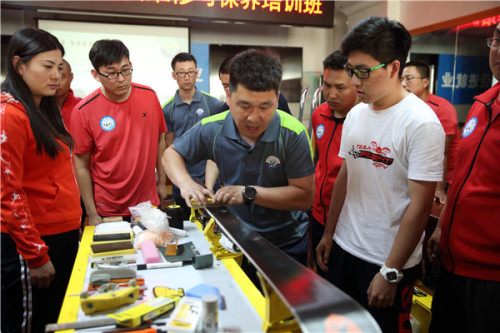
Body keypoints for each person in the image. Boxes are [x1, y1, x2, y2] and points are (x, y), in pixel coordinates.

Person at [315, 16, 444, 333]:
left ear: (394, 68)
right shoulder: (357, 113)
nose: (355, 81)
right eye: (350, 69)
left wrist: (391, 271)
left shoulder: (421, 124)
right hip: (345, 246)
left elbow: (420, 205)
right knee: (337, 327)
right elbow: (346, 174)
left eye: (363, 71)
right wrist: (330, 233)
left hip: (385, 258)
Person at [162, 48, 314, 266]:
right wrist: (186, 183)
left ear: (277, 99)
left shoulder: (292, 133)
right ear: (229, 97)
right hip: (235, 238)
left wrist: (248, 193)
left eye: (265, 106)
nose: (254, 118)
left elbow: (304, 197)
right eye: (244, 106)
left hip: (285, 243)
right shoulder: (212, 128)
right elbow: (171, 154)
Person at [1, 27, 81, 333]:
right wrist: (35, 255)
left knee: (56, 320)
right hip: (33, 243)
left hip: (61, 234)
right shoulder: (10, 114)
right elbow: (9, 193)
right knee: (30, 324)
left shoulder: (44, 109)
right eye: (47, 67)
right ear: (20, 66)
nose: (56, 75)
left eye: (59, 67)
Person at [427, 23, 500, 333]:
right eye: (497, 40)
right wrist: (442, 226)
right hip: (454, 262)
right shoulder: (482, 104)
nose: (498, 50)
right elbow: (463, 176)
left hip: (492, 278)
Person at [70, 39, 167, 225]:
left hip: (147, 204)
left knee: (151, 252)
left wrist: (161, 183)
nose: (122, 78)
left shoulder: (149, 96)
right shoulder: (83, 111)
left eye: (125, 70)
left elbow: (159, 141)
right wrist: (91, 212)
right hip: (108, 208)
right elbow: (81, 165)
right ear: (95, 74)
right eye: (112, 74)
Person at [311, 50, 357, 277]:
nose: (331, 94)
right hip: (318, 215)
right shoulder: (319, 114)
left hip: (348, 224)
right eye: (327, 86)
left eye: (340, 88)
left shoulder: (363, 120)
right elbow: (317, 160)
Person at [162, 52, 224, 211]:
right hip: (182, 181)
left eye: (190, 72)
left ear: (197, 73)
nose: (186, 77)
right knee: (185, 226)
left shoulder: (213, 104)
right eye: (181, 73)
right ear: (174, 75)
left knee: (214, 225)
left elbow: (218, 143)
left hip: (210, 179)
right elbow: (170, 145)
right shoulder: (167, 109)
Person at [402, 60, 459, 204]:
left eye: (409, 79)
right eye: (401, 79)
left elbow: (442, 153)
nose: (403, 84)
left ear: (425, 81)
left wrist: (438, 189)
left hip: (442, 180)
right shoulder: (404, 106)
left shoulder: (442, 108)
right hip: (413, 173)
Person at [218, 53, 293, 115]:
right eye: (225, 86)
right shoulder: (223, 112)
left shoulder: (276, 98)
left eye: (263, 107)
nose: (230, 90)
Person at [56, 59, 82, 131]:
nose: (57, 83)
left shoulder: (81, 106)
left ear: (71, 77)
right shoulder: (39, 105)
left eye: (62, 77)